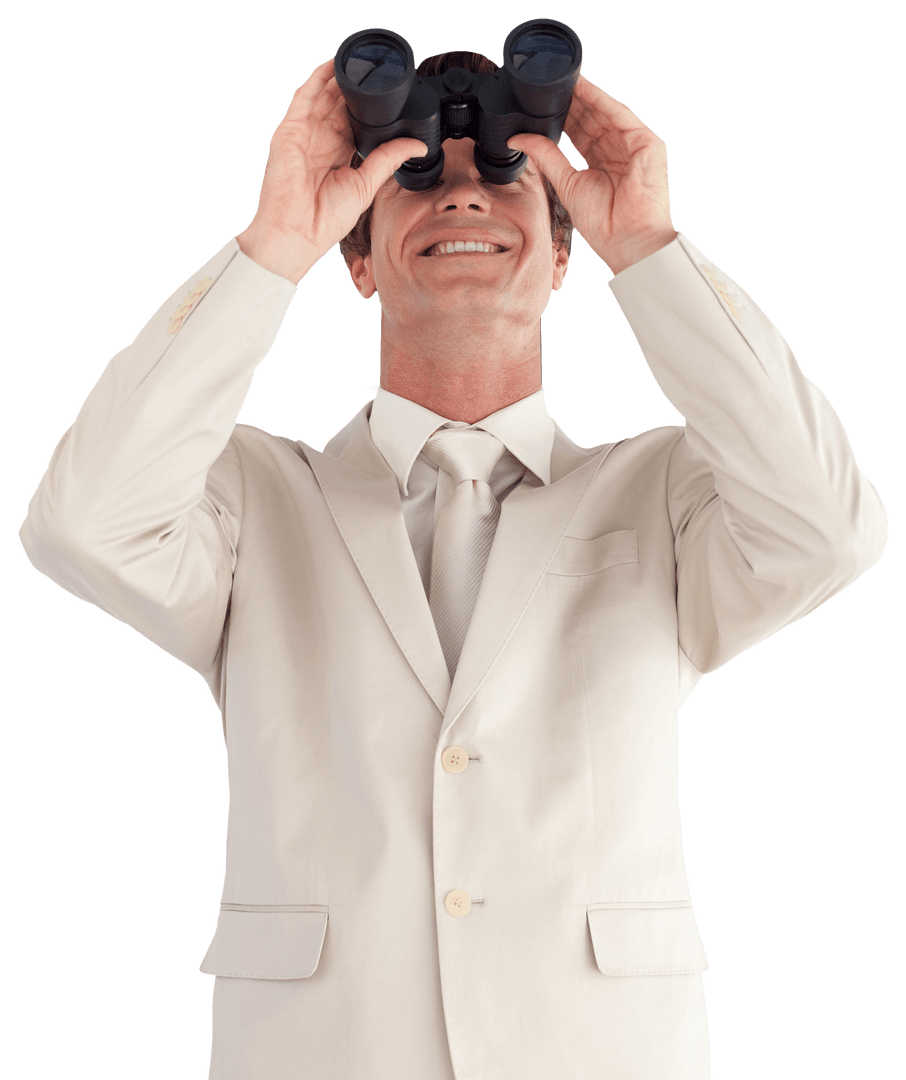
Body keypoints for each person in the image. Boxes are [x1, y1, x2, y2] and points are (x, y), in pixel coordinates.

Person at [17, 44, 887, 1080]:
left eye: (507, 173)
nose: (464, 197)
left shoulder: (664, 498)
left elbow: (829, 529)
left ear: (564, 254)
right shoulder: (254, 500)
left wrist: (649, 244)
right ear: (355, 252)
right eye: (420, 174)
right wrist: (273, 244)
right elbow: (81, 524)